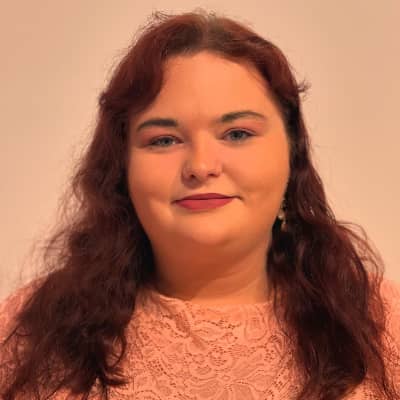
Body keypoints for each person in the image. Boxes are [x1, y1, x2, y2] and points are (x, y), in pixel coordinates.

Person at [1, 8, 399, 400]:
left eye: (237, 133)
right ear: (122, 167)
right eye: (164, 140)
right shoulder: (30, 334)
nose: (201, 166)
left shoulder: (381, 327)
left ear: (293, 155)